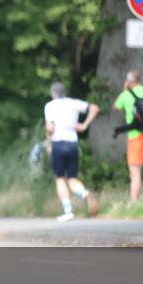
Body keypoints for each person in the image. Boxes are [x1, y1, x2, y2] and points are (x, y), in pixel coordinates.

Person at [44, 82, 100, 221]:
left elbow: (50, 128)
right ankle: (84, 193)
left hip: (58, 143)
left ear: (53, 93)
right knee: (72, 178)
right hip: (73, 144)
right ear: (65, 92)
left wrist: (49, 145)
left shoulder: (50, 106)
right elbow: (94, 108)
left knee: (60, 178)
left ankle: (68, 211)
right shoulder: (74, 103)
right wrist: (85, 125)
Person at [113, 69, 143, 201]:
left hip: (135, 137)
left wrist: (124, 90)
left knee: (135, 174)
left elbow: (116, 107)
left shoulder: (125, 95)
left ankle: (134, 205)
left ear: (129, 81)